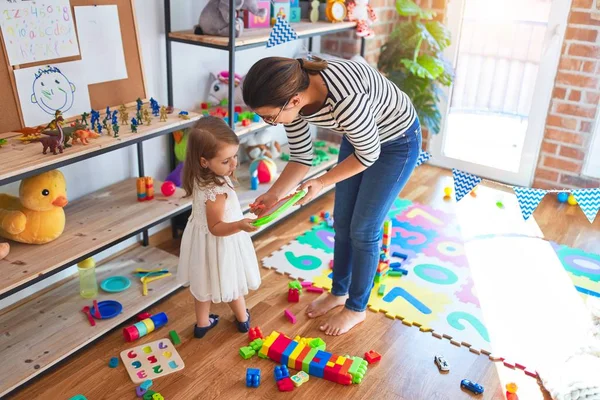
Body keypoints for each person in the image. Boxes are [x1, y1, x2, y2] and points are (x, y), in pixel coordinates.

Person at [243, 56, 421, 335]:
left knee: (363, 228)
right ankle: (339, 292)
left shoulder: (345, 100)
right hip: (361, 137)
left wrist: (322, 182)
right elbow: (301, 157)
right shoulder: (293, 93)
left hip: (397, 142)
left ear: (293, 101)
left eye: (269, 116)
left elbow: (369, 155)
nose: (268, 123)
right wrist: (274, 194)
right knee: (342, 222)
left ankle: (356, 308)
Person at [177, 116, 261, 338]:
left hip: (200, 241)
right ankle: (243, 319)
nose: (234, 164)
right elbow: (216, 227)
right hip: (221, 240)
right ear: (204, 161)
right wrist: (240, 224)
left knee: (201, 281)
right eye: (226, 161)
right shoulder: (216, 189)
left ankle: (202, 324)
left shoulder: (200, 176)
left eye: (234, 156)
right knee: (230, 278)